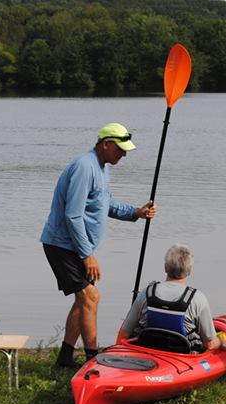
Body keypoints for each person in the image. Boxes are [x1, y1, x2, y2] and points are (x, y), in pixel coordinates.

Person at [41, 122, 157, 368]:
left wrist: (135, 212)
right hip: (63, 245)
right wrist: (87, 256)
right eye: (120, 149)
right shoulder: (85, 167)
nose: (124, 155)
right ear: (106, 144)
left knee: (83, 301)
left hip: (77, 247)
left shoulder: (102, 168)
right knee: (90, 297)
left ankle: (64, 359)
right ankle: (93, 360)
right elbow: (73, 215)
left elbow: (106, 203)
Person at [118, 244, 226, 353]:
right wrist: (222, 342)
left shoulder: (146, 293)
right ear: (190, 271)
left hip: (147, 352)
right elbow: (210, 344)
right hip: (182, 358)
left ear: (165, 268)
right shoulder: (198, 299)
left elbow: (125, 333)